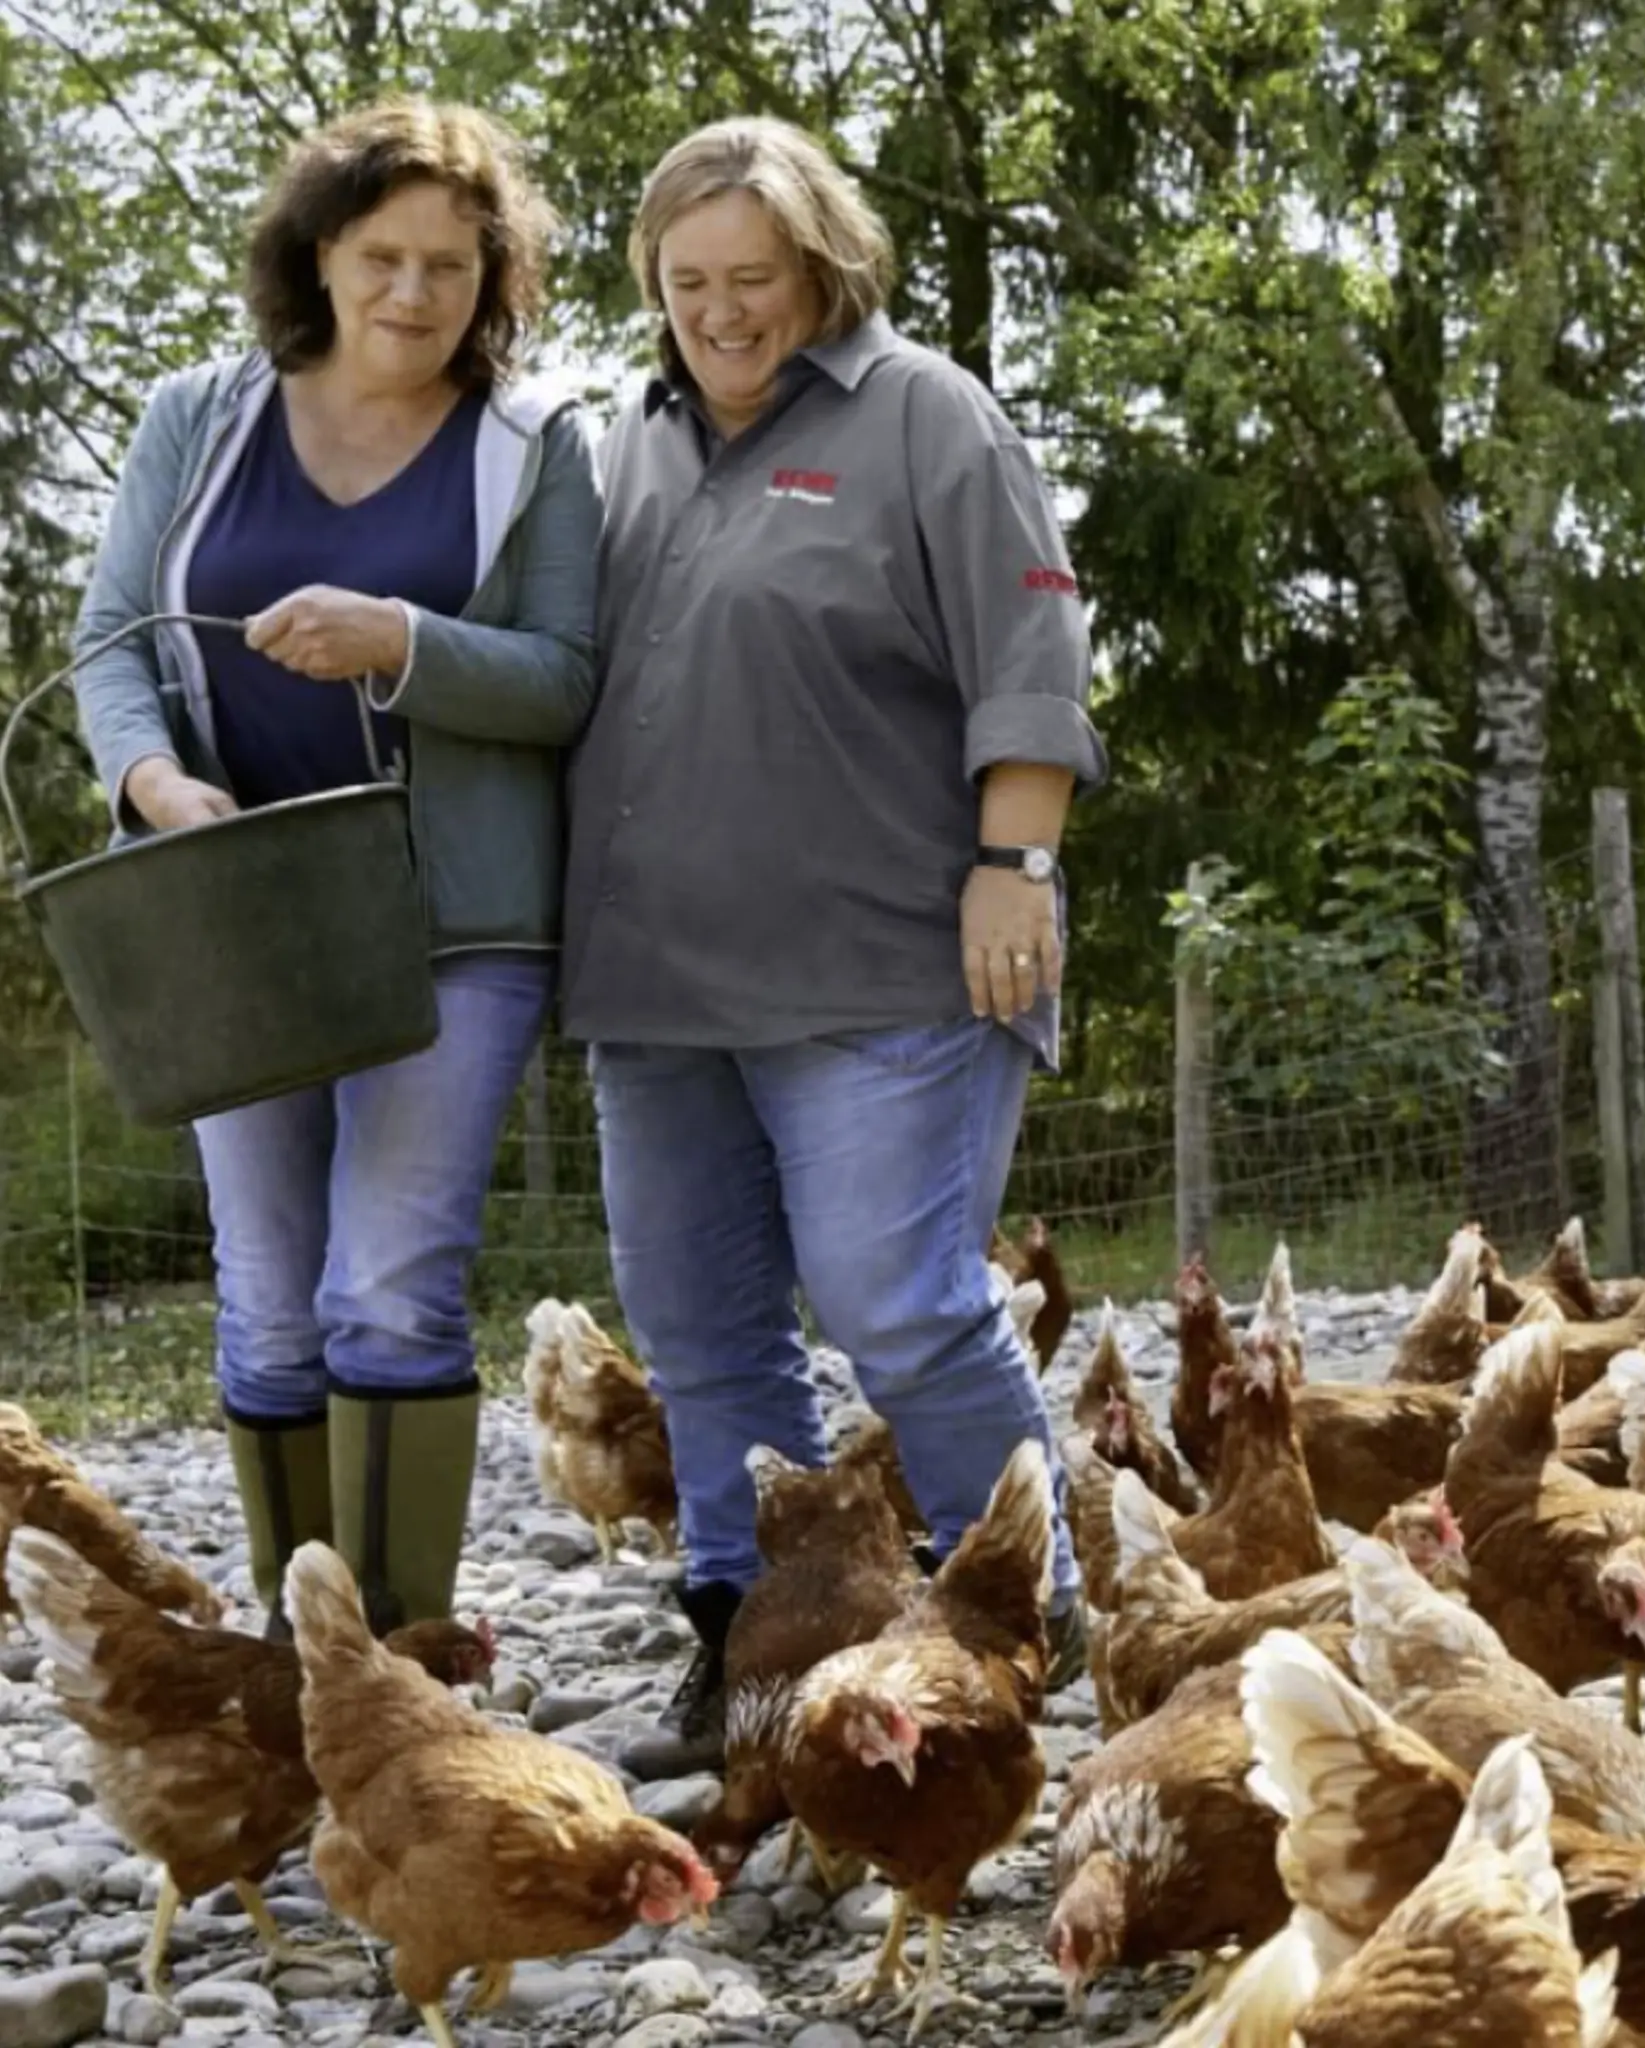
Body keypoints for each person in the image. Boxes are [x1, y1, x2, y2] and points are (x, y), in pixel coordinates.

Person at [563, 113, 1108, 1779]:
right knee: (702, 1329)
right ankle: (753, 1641)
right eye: (688, 280)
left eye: (756, 276)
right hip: (657, 983)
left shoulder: (925, 416)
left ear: (823, 266)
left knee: (900, 1298)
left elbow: (1033, 646)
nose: (723, 311)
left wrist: (1016, 858)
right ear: (653, 284)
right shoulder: (619, 447)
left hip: (886, 965)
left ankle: (1039, 1610)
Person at [70, 99, 603, 1637]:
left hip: (454, 923)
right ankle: (303, 1674)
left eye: (453, 264)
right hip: (229, 918)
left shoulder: (532, 444)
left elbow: (563, 676)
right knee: (267, 1298)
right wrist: (153, 780)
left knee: (393, 1284)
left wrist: (404, 644)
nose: (415, 295)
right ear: (322, 252)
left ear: (494, 276)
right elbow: (114, 645)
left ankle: (403, 1665)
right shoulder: (200, 415)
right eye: (384, 257)